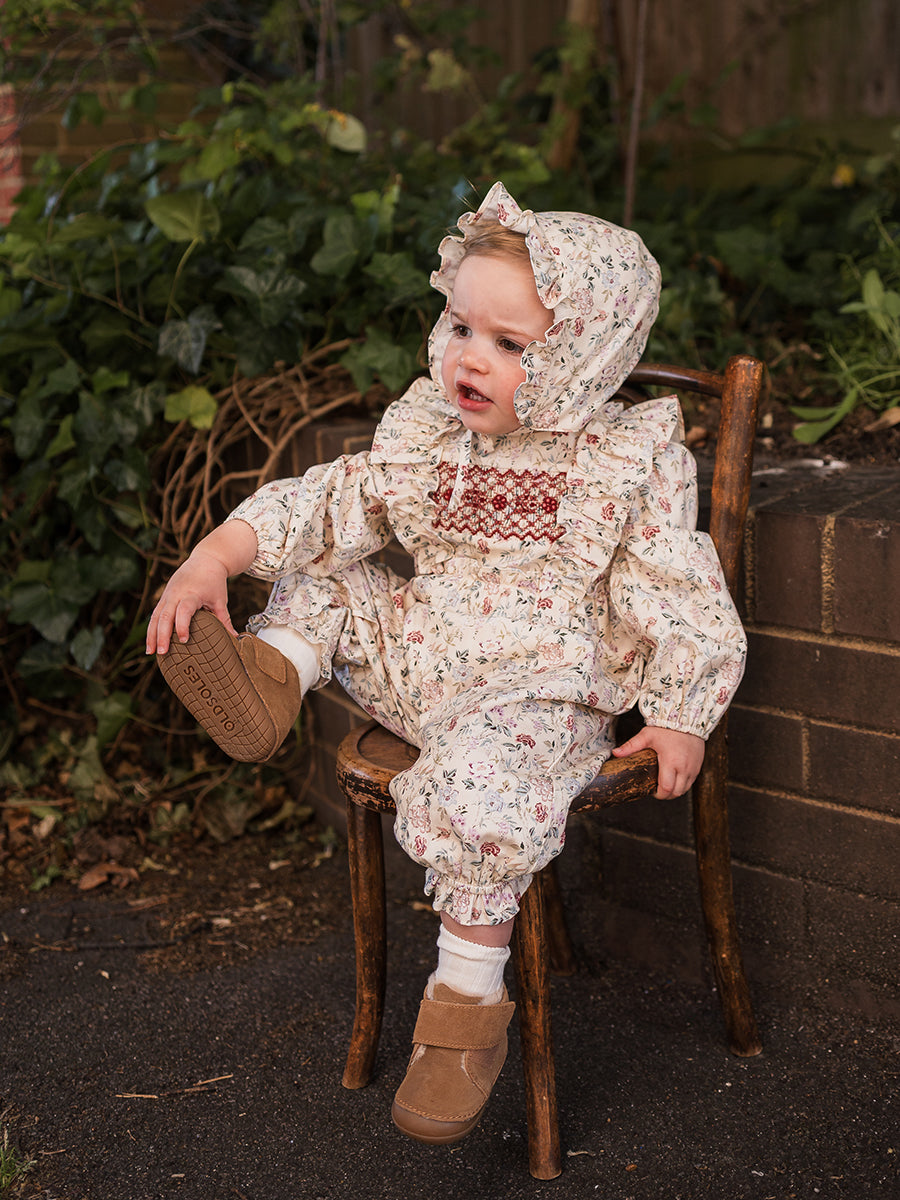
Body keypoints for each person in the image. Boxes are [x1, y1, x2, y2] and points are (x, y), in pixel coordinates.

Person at [146, 181, 746, 1146]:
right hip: (422, 657)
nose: (471, 357)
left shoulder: (620, 462)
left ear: (581, 356)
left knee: (479, 787)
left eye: (509, 343)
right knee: (328, 572)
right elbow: (332, 501)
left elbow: (678, 588)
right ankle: (272, 674)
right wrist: (217, 555)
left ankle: (463, 1009)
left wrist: (680, 709)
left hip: (534, 696)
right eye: (462, 327)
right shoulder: (432, 432)